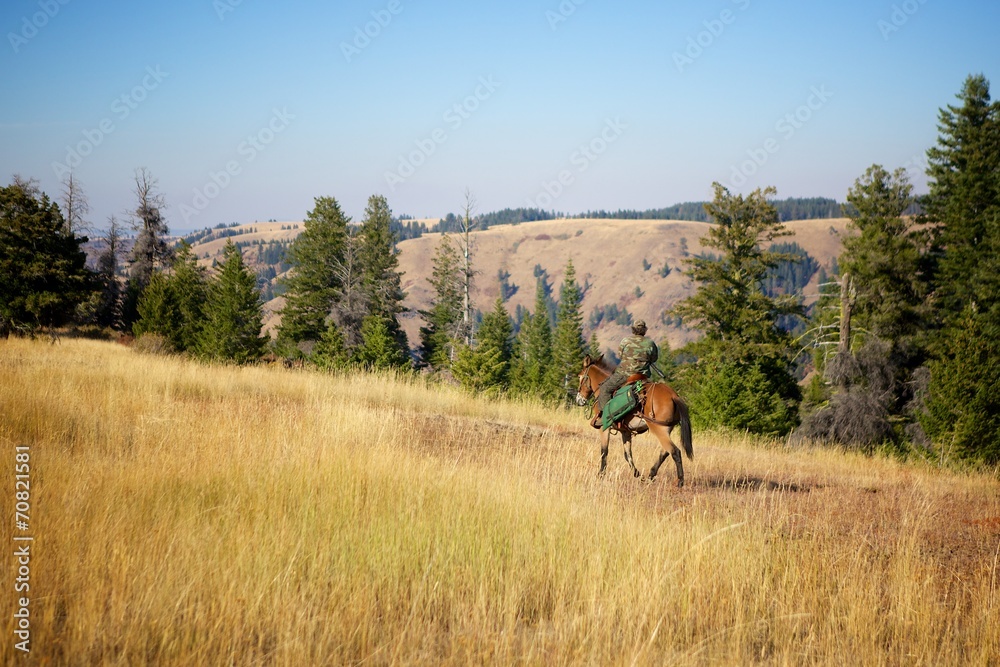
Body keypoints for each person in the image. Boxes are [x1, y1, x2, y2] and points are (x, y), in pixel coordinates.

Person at [594, 320, 659, 428]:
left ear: (633, 329)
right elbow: (654, 358)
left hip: (625, 374)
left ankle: (606, 416)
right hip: (643, 375)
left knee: (605, 388)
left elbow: (620, 355)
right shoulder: (650, 343)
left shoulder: (625, 341)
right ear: (644, 330)